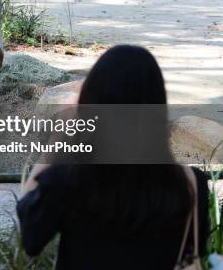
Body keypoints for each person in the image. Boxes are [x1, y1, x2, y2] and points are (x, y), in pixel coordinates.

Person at [16, 45, 210, 269]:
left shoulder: (67, 182)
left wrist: (60, 133)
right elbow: (192, 252)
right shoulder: (191, 185)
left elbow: (30, 237)